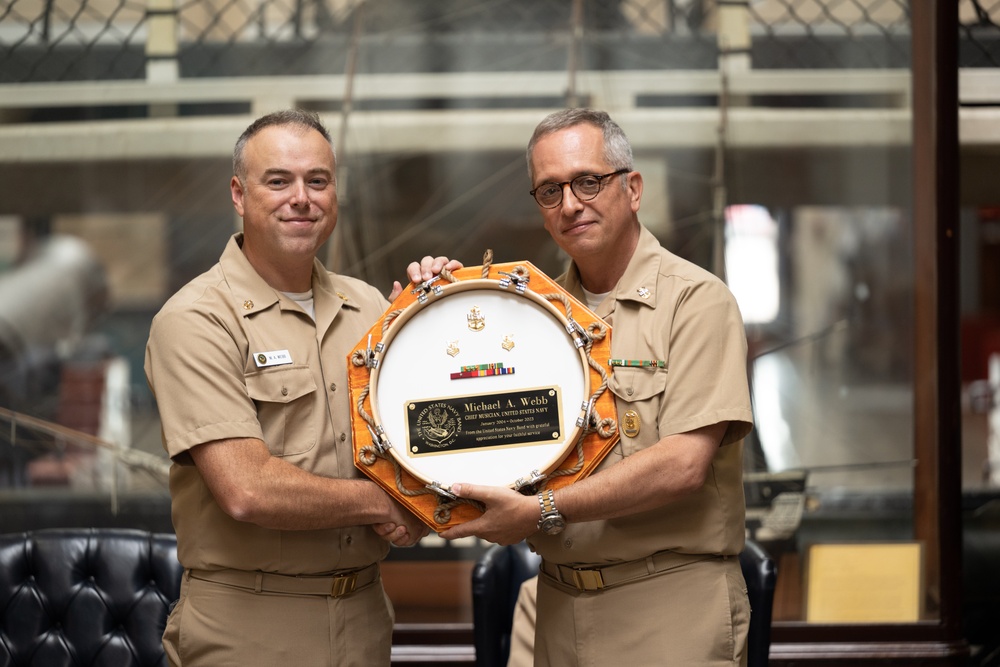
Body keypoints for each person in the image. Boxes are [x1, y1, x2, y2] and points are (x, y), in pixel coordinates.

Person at [144, 109, 460, 667]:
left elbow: (428, 432)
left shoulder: (369, 307)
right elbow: (247, 489)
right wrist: (388, 503)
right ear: (239, 195)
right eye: (278, 180)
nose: (302, 198)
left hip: (364, 614)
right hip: (249, 625)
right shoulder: (196, 318)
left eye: (318, 180)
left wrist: (445, 313)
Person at [440, 108, 754, 666]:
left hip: (667, 608)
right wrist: (431, 310)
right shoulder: (533, 316)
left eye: (588, 181)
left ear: (632, 188)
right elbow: (482, 429)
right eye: (549, 190)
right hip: (558, 608)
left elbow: (682, 464)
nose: (570, 204)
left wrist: (541, 512)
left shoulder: (695, 302)